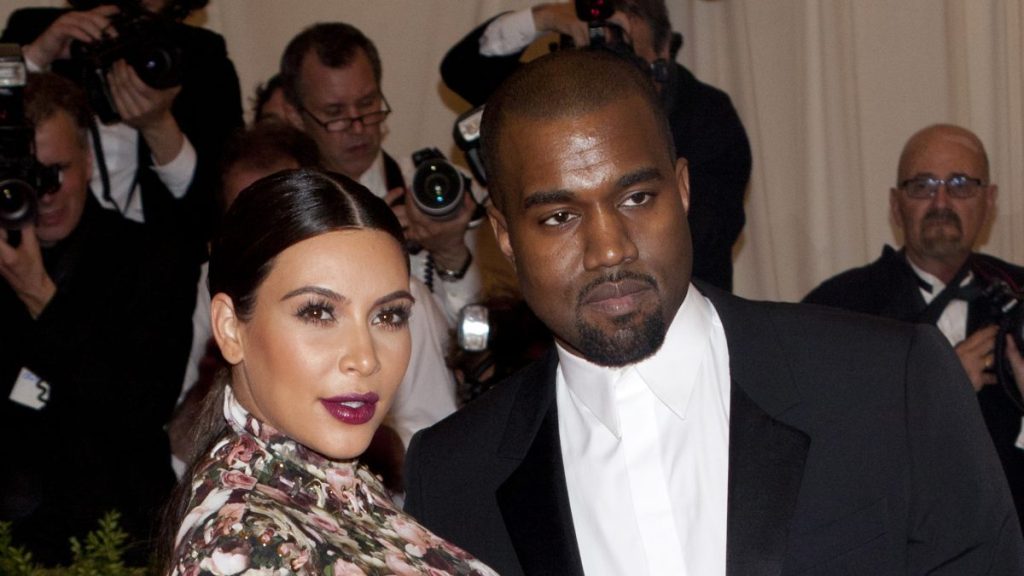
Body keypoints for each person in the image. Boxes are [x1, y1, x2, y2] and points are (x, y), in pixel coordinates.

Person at [402, 50, 1023, 575]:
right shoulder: (453, 477)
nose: (610, 248)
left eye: (638, 197)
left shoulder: (891, 383)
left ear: (685, 189)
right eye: (559, 217)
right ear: (507, 238)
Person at [160, 169, 496, 575]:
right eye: (318, 312)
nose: (365, 358)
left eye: (388, 316)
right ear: (231, 328)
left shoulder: (332, 490)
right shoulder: (248, 545)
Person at [0, 72, 198, 566]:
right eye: (29, 174)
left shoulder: (152, 259)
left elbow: (138, 406)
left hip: (111, 534)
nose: (43, 193)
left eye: (57, 171)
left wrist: (42, 297)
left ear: (89, 160)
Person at [439, 0, 751, 292]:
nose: (606, 76)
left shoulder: (706, 114)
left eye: (623, 55)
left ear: (664, 53)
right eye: (593, 56)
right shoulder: (551, 103)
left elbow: (707, 235)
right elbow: (462, 70)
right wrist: (545, 18)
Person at [803, 123, 1024, 534]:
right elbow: (815, 454)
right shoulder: (834, 310)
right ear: (895, 204)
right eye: (922, 185)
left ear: (989, 201)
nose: (941, 201)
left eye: (960, 184)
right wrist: (930, 388)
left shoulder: (1020, 297)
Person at [2, 0, 243, 252]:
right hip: (42, 253)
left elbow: (216, 211)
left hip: (156, 264)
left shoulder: (203, 57)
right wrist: (35, 60)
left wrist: (158, 126)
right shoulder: (38, 29)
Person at [280, 22, 482, 321]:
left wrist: (449, 253)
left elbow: (473, 332)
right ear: (295, 115)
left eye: (367, 104)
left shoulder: (430, 185)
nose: (358, 126)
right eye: (335, 114)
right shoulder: (282, 209)